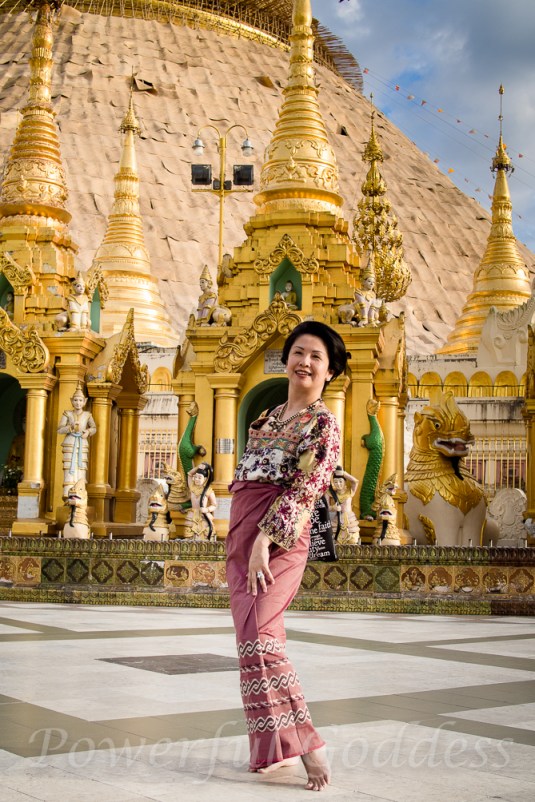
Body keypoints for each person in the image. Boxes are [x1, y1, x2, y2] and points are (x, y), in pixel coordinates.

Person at [226, 320, 348, 791]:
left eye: (316, 357)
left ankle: (308, 746)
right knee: (248, 642)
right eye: (299, 352)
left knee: (263, 637)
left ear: (330, 372)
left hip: (277, 538)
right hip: (242, 536)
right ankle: (272, 751)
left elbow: (307, 486)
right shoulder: (268, 417)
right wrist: (241, 536)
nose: (305, 362)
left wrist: (263, 539)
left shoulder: (323, 423)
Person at [57, 386, 97, 497]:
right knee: (69, 467)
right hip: (70, 443)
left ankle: (80, 492)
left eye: (80, 400)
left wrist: (88, 432)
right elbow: (60, 429)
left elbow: (94, 428)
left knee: (81, 468)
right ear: (71, 401)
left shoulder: (87, 415)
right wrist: (70, 428)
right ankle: (67, 493)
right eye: (75, 400)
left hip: (82, 443)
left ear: (84, 402)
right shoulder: (67, 414)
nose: (78, 403)